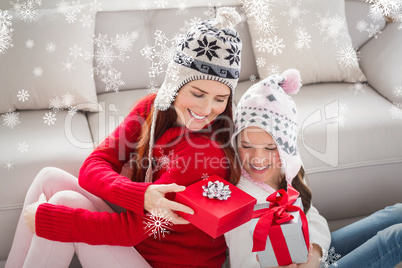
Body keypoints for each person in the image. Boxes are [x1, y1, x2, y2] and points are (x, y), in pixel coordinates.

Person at [6, 7, 242, 268]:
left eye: (220, 99)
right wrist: (141, 196)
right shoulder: (151, 109)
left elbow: (131, 230)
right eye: (198, 94)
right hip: (138, 249)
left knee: (64, 204)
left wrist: (51, 220)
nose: (207, 109)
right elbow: (93, 166)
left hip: (162, 261)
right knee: (49, 177)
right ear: (175, 83)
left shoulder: (204, 153)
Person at [224, 69, 402, 268]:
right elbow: (242, 261)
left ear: (286, 148)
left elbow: (311, 216)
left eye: (270, 148)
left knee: (397, 213)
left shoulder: (287, 170)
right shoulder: (241, 198)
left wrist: (315, 252)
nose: (258, 158)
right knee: (396, 239)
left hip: (310, 255)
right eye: (247, 146)